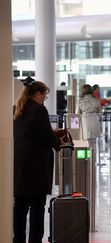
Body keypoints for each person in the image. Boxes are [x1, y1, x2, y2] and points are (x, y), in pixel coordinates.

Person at [13, 78, 67, 243]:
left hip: (20, 166)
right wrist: (60, 143)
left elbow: (31, 132)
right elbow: (46, 136)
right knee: (37, 208)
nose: (45, 99)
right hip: (35, 167)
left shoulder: (18, 109)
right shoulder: (39, 110)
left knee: (20, 207)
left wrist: (51, 134)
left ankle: (18, 240)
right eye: (45, 96)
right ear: (38, 94)